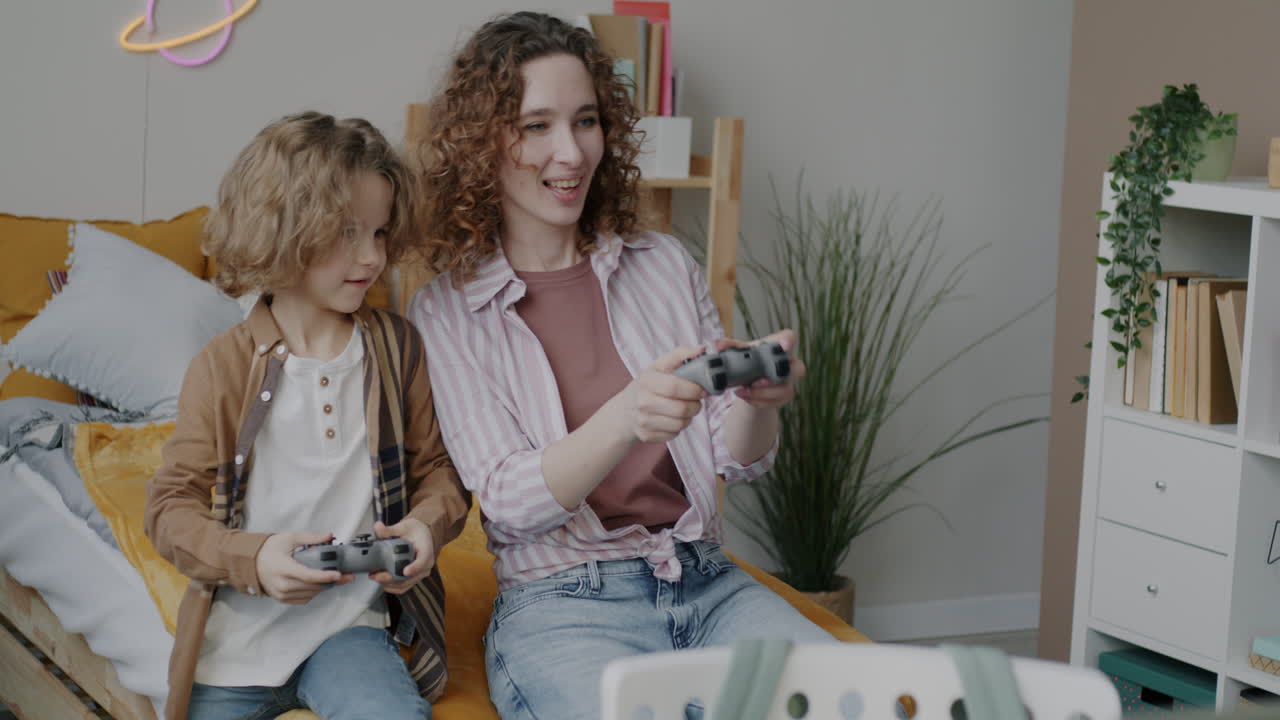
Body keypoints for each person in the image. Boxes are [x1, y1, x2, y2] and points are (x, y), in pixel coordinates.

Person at [409, 12, 833, 719]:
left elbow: (739, 460)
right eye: (537, 125)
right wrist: (628, 416)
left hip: (708, 584)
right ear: (483, 143)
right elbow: (509, 503)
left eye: (586, 121)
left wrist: (757, 403)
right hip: (564, 608)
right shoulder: (446, 310)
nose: (571, 152)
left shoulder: (662, 263)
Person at [145, 111, 470, 720]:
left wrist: (425, 528)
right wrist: (254, 558)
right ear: (283, 229)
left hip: (350, 632)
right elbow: (168, 509)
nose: (372, 256)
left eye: (379, 232)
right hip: (235, 648)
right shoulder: (221, 365)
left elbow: (439, 473)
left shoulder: (398, 348)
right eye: (347, 232)